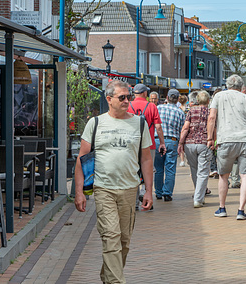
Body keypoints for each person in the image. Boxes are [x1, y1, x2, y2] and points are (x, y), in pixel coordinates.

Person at [74, 80, 153, 284]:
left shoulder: (140, 123)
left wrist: (149, 191)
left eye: (129, 97)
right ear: (109, 99)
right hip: (103, 189)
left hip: (129, 189)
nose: (127, 101)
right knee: (111, 237)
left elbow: (146, 159)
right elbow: (82, 158)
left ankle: (107, 276)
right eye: (122, 97)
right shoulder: (96, 123)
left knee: (123, 242)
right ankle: (116, 282)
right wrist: (79, 191)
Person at [207, 74, 246, 220]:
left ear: (227, 84)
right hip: (245, 140)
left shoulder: (218, 97)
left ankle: (222, 208)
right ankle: (241, 210)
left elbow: (211, 118)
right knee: (245, 176)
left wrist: (210, 138)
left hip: (225, 139)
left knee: (223, 176)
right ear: (241, 86)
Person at [128, 83, 164, 207]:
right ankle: (146, 194)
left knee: (133, 170)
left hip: (132, 144)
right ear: (144, 93)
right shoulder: (152, 106)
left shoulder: (128, 105)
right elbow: (158, 127)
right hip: (149, 144)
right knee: (148, 170)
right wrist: (162, 143)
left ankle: (135, 200)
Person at [179, 90, 213, 208]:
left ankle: (199, 194)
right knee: (203, 172)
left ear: (197, 100)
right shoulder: (211, 112)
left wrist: (180, 142)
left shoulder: (191, 111)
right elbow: (214, 126)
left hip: (189, 143)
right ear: (209, 101)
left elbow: (185, 127)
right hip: (204, 143)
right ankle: (198, 198)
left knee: (194, 169)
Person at [154, 89, 185, 201]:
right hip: (172, 141)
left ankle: (158, 192)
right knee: (170, 168)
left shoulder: (158, 108)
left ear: (167, 98)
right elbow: (182, 129)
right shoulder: (180, 112)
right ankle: (167, 193)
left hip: (158, 140)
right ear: (177, 99)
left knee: (158, 168)